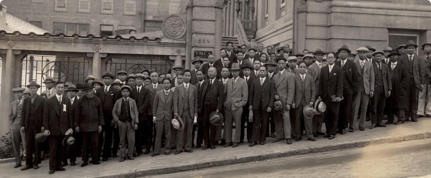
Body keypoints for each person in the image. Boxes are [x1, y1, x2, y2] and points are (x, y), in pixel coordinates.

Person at [43, 81, 73, 174]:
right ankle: (52, 167)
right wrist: (46, 128)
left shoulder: (67, 100)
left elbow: (70, 115)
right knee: (53, 149)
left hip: (63, 129)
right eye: (59, 87)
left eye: (62, 87)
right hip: (53, 129)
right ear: (55, 88)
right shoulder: (49, 101)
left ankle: (59, 165)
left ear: (64, 89)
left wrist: (70, 127)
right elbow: (46, 116)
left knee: (61, 149)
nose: (60, 89)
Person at [75, 83, 104, 167]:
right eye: (87, 91)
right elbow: (77, 114)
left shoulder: (97, 100)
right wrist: (76, 125)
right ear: (84, 92)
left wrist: (100, 125)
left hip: (94, 126)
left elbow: (100, 113)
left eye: (91, 91)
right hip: (84, 126)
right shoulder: (80, 100)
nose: (89, 93)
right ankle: (85, 160)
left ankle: (95, 159)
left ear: (93, 91)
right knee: (85, 144)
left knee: (95, 143)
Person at [95, 71, 120, 161]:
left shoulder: (115, 91)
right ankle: (97, 155)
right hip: (100, 118)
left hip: (110, 118)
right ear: (103, 79)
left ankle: (106, 154)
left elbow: (116, 106)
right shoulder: (98, 90)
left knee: (109, 137)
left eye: (109, 78)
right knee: (99, 137)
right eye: (105, 78)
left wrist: (114, 118)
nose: (107, 80)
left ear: (112, 80)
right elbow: (96, 104)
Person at [318, 52, 343, 140]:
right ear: (327, 59)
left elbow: (340, 84)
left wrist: (339, 95)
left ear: (335, 59)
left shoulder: (338, 69)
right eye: (328, 57)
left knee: (334, 114)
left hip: (334, 96)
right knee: (326, 114)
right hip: (325, 95)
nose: (330, 59)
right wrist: (320, 95)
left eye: (332, 57)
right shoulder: (323, 69)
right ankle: (328, 132)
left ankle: (332, 133)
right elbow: (320, 83)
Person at [21, 81, 46, 171]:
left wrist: (43, 125)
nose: (32, 90)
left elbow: (44, 114)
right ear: (29, 89)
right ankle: (28, 163)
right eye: (31, 88)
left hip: (38, 125)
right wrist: (22, 125)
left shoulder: (42, 99)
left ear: (37, 89)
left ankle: (36, 163)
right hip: (28, 125)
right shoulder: (26, 100)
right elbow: (23, 113)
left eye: (34, 88)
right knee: (28, 144)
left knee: (37, 144)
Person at [335, 45, 359, 135]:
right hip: (337, 91)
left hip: (347, 90)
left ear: (348, 54)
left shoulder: (352, 64)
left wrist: (352, 90)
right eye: (341, 52)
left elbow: (356, 79)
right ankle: (337, 126)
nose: (343, 54)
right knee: (337, 109)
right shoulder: (336, 64)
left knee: (346, 109)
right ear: (339, 54)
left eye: (345, 52)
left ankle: (344, 127)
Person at [249, 66, 275, 146]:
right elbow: (251, 95)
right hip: (256, 105)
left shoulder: (270, 82)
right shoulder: (254, 82)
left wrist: (270, 106)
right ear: (258, 72)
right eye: (260, 71)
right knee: (256, 123)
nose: (262, 72)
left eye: (263, 71)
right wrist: (250, 105)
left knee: (264, 123)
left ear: (266, 72)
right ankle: (255, 140)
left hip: (265, 106)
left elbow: (272, 95)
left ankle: (262, 139)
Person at [223, 63, 248, 147]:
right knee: (228, 124)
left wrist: (240, 104)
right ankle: (228, 140)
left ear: (239, 72)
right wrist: (225, 103)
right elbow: (225, 93)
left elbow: (245, 97)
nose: (234, 73)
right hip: (228, 105)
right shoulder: (228, 81)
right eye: (233, 71)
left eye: (236, 71)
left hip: (237, 106)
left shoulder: (243, 82)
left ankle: (236, 140)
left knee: (238, 124)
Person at [173, 70, 198, 154]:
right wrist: (176, 112)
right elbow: (175, 101)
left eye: (189, 76)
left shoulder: (193, 88)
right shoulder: (178, 88)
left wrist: (195, 112)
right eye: (186, 75)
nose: (187, 77)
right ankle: (179, 148)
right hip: (181, 112)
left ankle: (188, 147)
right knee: (180, 130)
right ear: (183, 76)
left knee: (189, 130)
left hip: (190, 112)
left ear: (190, 77)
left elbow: (195, 101)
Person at [112, 85, 139, 162]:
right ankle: (123, 155)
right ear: (121, 93)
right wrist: (117, 120)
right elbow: (113, 111)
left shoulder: (132, 101)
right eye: (123, 91)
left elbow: (136, 112)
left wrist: (136, 122)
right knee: (122, 140)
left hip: (131, 122)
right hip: (122, 123)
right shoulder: (118, 101)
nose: (125, 93)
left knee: (131, 140)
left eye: (127, 91)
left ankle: (130, 154)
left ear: (129, 93)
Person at [401, 40, 425, 122]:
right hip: (406, 82)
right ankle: (406, 115)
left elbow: (421, 71)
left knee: (415, 99)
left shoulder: (419, 59)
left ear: (415, 49)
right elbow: (400, 71)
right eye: (409, 48)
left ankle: (414, 116)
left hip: (416, 82)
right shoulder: (402, 58)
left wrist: (422, 83)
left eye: (412, 48)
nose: (410, 49)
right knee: (406, 99)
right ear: (406, 49)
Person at [352, 47, 375, 132]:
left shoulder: (369, 64)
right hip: (357, 88)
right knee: (355, 107)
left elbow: (372, 78)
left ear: (366, 54)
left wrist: (372, 89)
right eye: (360, 53)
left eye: (364, 53)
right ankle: (352, 125)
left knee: (364, 108)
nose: (362, 54)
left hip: (366, 88)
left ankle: (362, 125)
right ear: (358, 54)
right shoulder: (354, 63)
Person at [272, 57, 294, 144]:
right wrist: (275, 95)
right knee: (277, 118)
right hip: (277, 102)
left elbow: (291, 90)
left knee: (286, 118)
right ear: (277, 64)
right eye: (279, 63)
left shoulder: (289, 75)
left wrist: (289, 103)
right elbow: (272, 89)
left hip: (285, 101)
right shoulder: (275, 76)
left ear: (285, 64)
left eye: (282, 63)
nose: (281, 65)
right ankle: (279, 135)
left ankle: (288, 136)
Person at [292, 61, 316, 141]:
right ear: (298, 68)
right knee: (297, 118)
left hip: (307, 101)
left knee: (308, 118)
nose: (302, 68)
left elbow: (313, 90)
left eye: (304, 67)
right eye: (301, 67)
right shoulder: (295, 77)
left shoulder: (310, 78)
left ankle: (309, 135)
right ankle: (298, 135)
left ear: (306, 68)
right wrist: (293, 101)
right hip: (298, 101)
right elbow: (292, 91)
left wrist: (312, 100)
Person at [202, 67, 224, 150]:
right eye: (209, 71)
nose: (210, 73)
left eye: (212, 71)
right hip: (205, 107)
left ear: (215, 73)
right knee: (205, 125)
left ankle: (212, 143)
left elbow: (221, 97)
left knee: (213, 125)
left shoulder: (219, 83)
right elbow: (201, 96)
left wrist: (219, 108)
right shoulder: (205, 82)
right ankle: (206, 143)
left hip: (214, 107)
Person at [152, 78, 174, 156]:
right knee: (158, 134)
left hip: (168, 116)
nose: (166, 84)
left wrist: (174, 116)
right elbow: (155, 105)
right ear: (162, 84)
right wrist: (154, 116)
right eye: (164, 83)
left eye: (168, 83)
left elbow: (174, 106)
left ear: (170, 84)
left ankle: (167, 149)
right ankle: (156, 150)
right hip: (159, 116)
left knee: (168, 134)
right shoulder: (158, 93)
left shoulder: (173, 93)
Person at [386, 49, 409, 125]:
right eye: (392, 56)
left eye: (395, 55)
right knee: (389, 103)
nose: (394, 57)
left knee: (400, 104)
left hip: (399, 88)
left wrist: (401, 86)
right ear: (390, 57)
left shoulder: (402, 66)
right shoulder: (386, 66)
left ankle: (401, 119)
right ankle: (390, 119)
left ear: (398, 57)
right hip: (389, 88)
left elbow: (406, 77)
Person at [369, 50, 392, 129]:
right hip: (375, 88)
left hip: (384, 88)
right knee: (374, 106)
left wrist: (389, 89)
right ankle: (374, 122)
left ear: (383, 57)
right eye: (377, 56)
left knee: (382, 106)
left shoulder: (385, 66)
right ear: (374, 57)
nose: (379, 58)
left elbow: (388, 78)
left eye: (380, 56)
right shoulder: (371, 65)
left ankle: (380, 121)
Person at [131, 74, 151, 156]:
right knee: (134, 133)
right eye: (137, 79)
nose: (139, 80)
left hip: (142, 115)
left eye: (140, 79)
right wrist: (134, 112)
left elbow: (146, 102)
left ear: (143, 81)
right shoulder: (132, 90)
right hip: (133, 115)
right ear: (135, 81)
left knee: (141, 133)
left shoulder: (146, 90)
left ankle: (139, 149)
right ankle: (135, 149)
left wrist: (139, 111)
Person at [308, 48, 327, 137]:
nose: (319, 56)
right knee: (314, 111)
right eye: (318, 55)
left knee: (321, 110)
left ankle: (319, 129)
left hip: (323, 91)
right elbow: (310, 81)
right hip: (315, 91)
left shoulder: (325, 65)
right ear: (315, 56)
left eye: (321, 55)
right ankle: (313, 130)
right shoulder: (311, 67)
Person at [144, 72, 163, 154]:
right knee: (149, 131)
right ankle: (148, 147)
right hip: (150, 112)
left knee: (158, 131)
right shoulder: (147, 88)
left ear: (158, 77)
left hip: (160, 112)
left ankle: (156, 147)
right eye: (152, 76)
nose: (154, 78)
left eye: (156, 76)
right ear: (150, 78)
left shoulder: (162, 87)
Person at [63, 84, 79, 166]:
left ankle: (72, 160)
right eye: (70, 91)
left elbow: (78, 115)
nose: (71, 93)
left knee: (73, 143)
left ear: (76, 93)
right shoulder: (64, 101)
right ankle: (64, 160)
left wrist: (75, 126)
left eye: (73, 91)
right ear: (67, 92)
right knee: (64, 143)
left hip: (74, 125)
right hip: (65, 125)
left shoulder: (78, 101)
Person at [9, 88, 26, 168]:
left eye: (20, 93)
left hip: (24, 125)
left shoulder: (26, 102)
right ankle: (18, 161)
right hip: (15, 125)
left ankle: (28, 161)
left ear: (22, 93)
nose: (18, 94)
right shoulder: (12, 104)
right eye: (16, 93)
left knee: (26, 143)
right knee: (16, 144)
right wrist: (12, 119)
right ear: (14, 94)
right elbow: (10, 115)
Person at [240, 62, 254, 143]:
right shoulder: (240, 80)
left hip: (250, 104)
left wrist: (251, 105)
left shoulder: (253, 80)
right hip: (241, 104)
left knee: (250, 121)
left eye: (248, 70)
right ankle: (241, 138)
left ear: (250, 71)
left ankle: (249, 137)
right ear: (242, 71)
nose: (246, 72)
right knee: (241, 121)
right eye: (245, 70)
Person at [194, 70, 206, 148]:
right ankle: (198, 142)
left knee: (204, 126)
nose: (199, 76)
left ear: (204, 75)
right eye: (197, 74)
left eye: (200, 74)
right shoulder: (195, 86)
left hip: (205, 109)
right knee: (198, 126)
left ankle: (205, 142)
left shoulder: (207, 84)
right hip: (197, 109)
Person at [418, 42, 431, 117]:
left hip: (430, 79)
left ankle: (429, 111)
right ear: (423, 49)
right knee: (421, 95)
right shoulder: (420, 58)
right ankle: (420, 112)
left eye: (429, 47)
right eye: (425, 47)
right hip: (422, 79)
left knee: (430, 95)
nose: (427, 48)